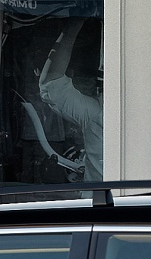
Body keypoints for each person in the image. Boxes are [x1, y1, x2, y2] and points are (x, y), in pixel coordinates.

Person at [39, 18, 104, 181]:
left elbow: (52, 85)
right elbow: (53, 86)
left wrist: (74, 24)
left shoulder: (98, 115)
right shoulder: (99, 114)